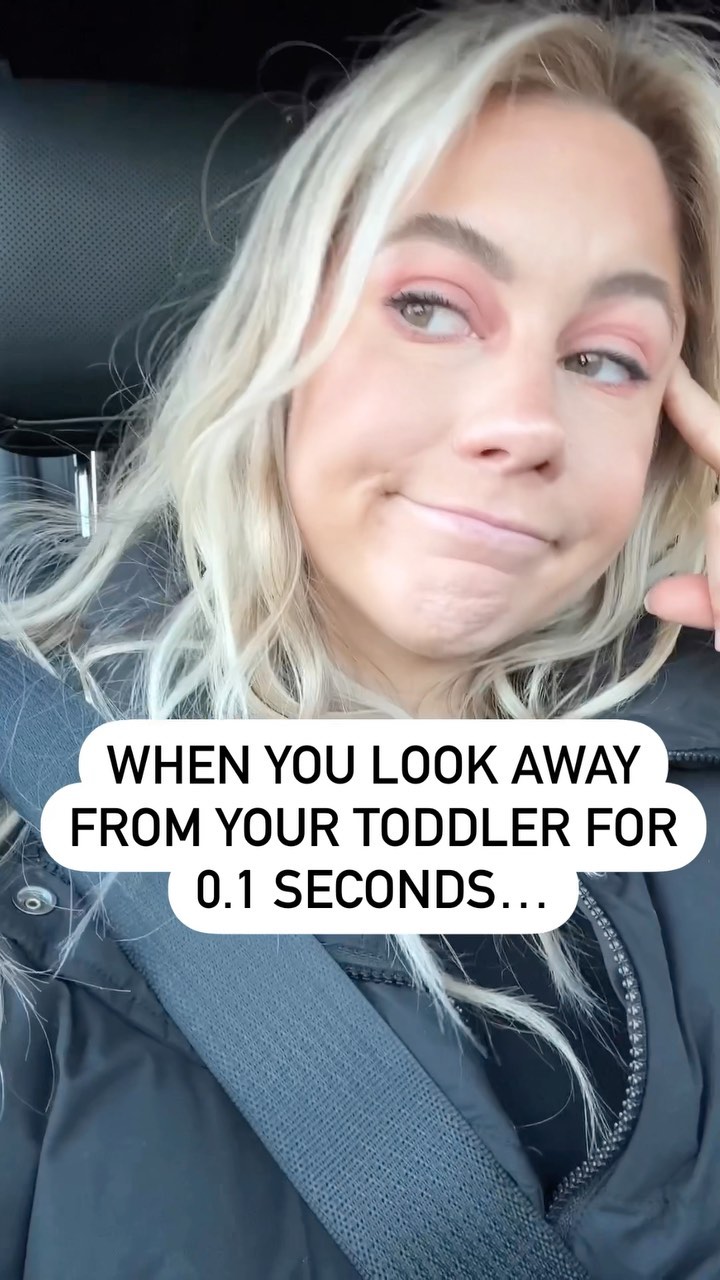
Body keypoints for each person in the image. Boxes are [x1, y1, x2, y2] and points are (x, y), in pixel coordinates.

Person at [0, 1, 719, 1275]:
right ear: (282, 327)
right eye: (430, 306)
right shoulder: (31, 810)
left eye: (608, 360)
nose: (523, 422)